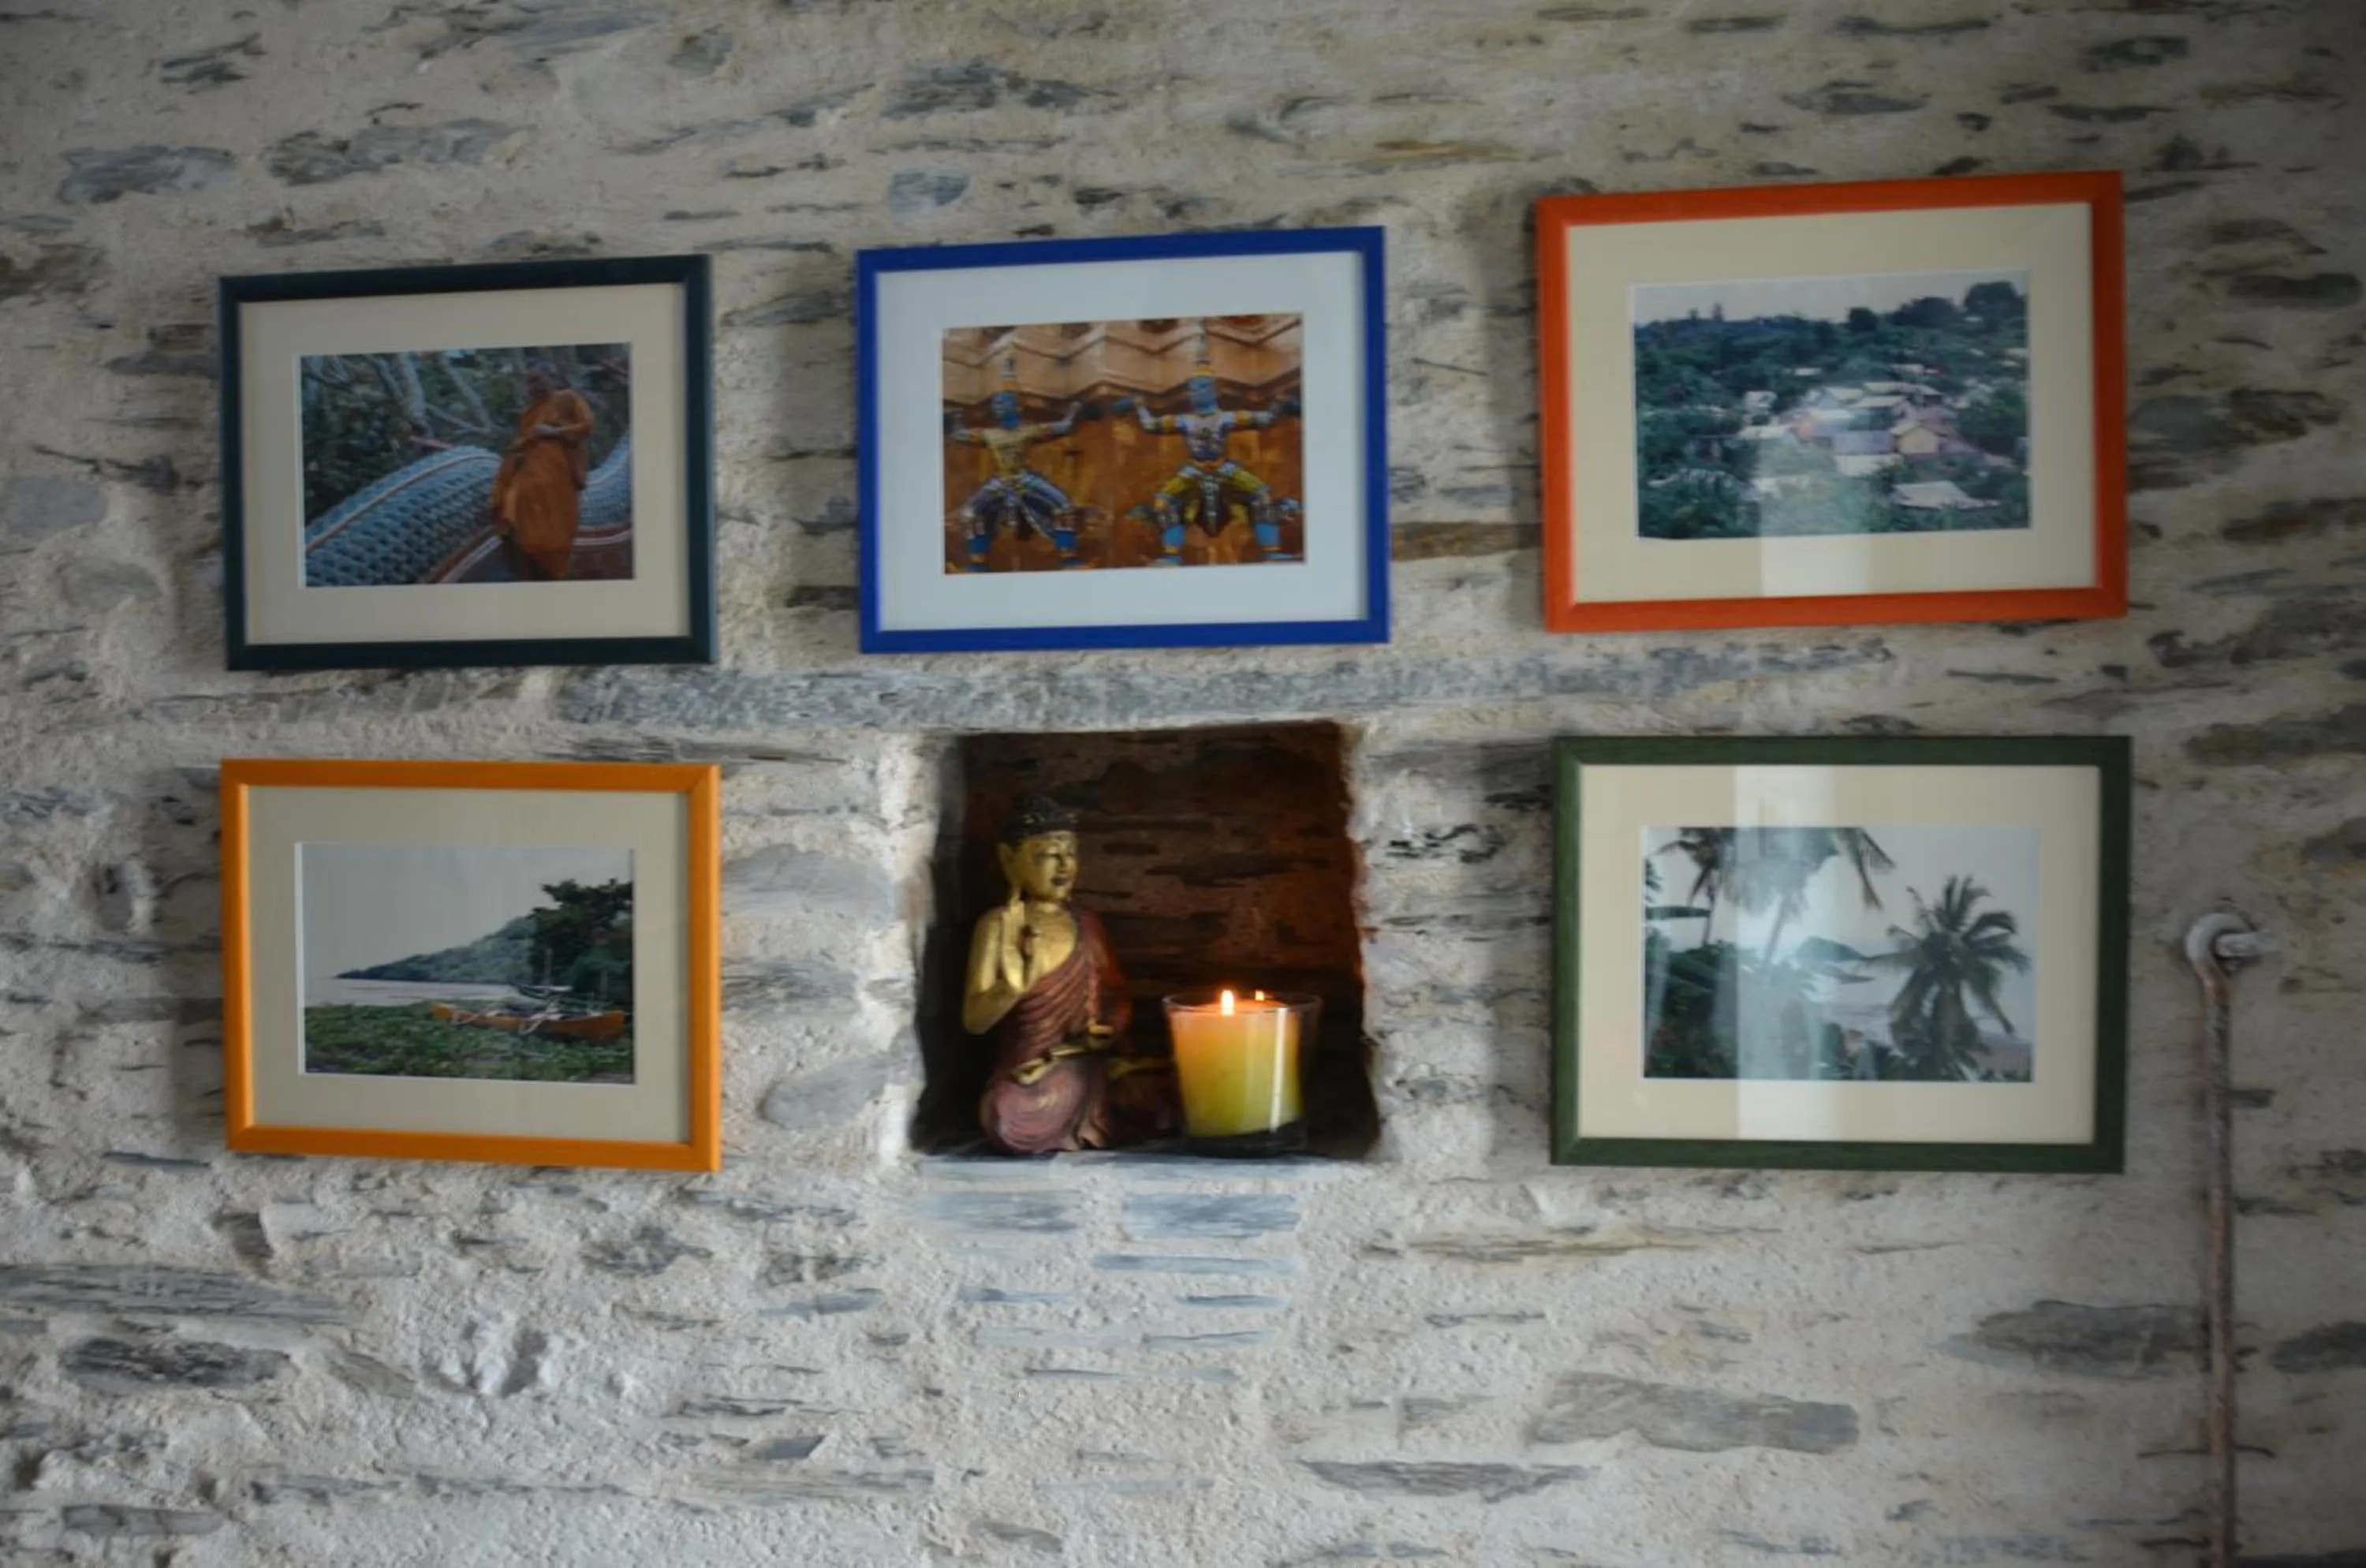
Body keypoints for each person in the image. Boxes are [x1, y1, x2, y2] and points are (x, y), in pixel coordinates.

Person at [963, 797, 1176, 1153]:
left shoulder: (1086, 922)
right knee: (1006, 1114)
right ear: (1009, 860)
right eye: (1048, 855)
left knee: (1170, 1089)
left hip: (1093, 1062)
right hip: (1036, 1074)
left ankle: (1103, 1115)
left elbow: (1114, 995)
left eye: (1072, 854)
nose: (1064, 866)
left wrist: (1109, 1029)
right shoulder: (999, 925)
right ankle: (1095, 1123)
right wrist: (1012, 989)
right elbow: (975, 1021)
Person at [1124, 321, 1301, 565]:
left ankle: (1271, 550)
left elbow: (1266, 419)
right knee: (1163, 501)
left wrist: (1279, 404)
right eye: (1193, 389)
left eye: (1202, 388)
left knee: (1262, 496)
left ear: (1214, 391)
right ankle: (1170, 555)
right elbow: (1150, 426)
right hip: (1193, 471)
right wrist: (1139, 406)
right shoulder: (1185, 421)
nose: (1196, 393)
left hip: (1225, 468)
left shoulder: (1227, 418)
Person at [948, 353, 1092, 571]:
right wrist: (955, 418)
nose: (998, 408)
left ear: (1016, 407)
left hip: (1025, 479)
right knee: (970, 512)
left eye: (1004, 403)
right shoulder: (989, 434)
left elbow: (1064, 427)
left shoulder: (1029, 430)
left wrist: (1076, 410)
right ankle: (977, 562)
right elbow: (960, 435)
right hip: (1000, 481)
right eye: (996, 404)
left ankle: (1068, 557)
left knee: (1064, 505)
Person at [491, 362, 595, 580]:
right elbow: (525, 437)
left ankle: (548, 558)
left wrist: (554, 431)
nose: (533, 386)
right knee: (513, 498)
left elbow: (587, 425)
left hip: (556, 468)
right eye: (529, 382)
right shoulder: (528, 413)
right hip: (528, 463)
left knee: (548, 517)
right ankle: (526, 549)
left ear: (552, 378)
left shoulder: (567, 398)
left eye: (537, 379)